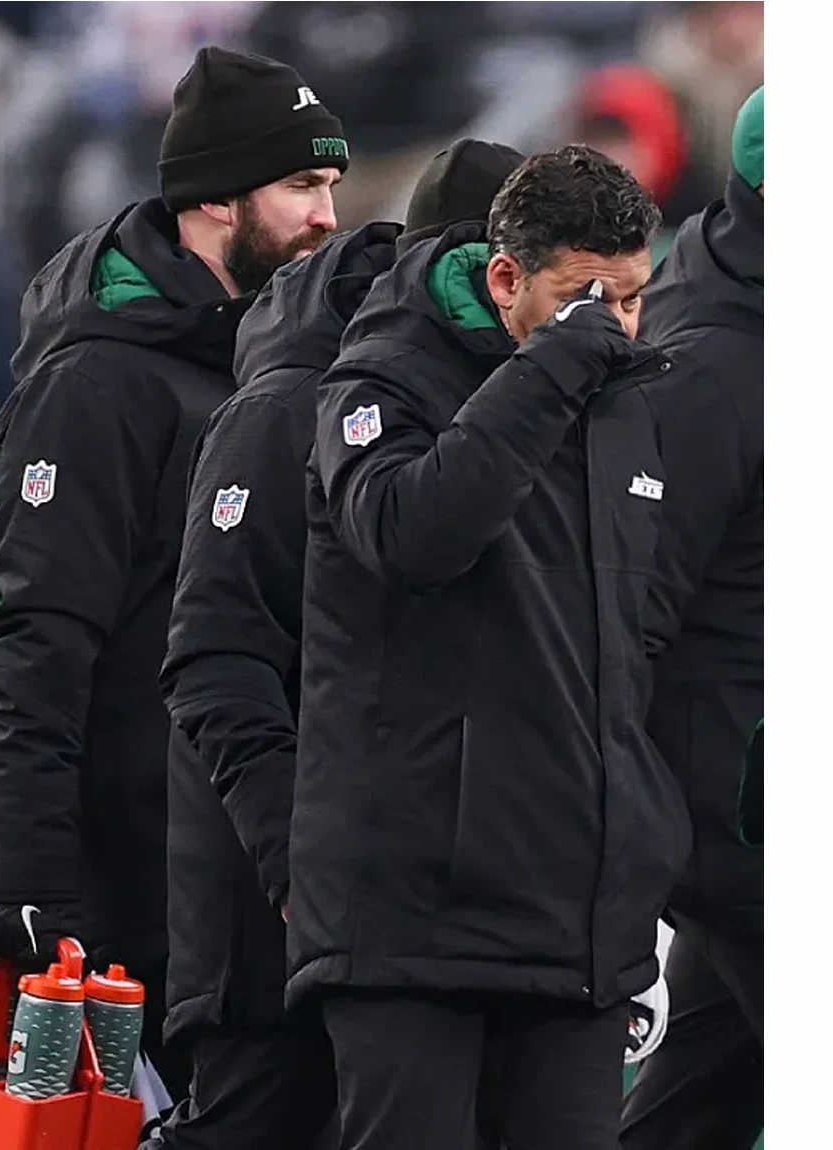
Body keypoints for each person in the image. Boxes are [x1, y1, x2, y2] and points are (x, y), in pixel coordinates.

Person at [285, 144, 692, 1150]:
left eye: (632, 297)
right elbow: (412, 535)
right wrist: (551, 367)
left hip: (576, 928)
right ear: (505, 277)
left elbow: (635, 647)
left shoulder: (629, 403)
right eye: (584, 297)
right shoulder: (379, 378)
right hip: (412, 925)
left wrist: (644, 845)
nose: (614, 325)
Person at [0, 45, 349, 1099]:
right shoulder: (95, 383)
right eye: (302, 184)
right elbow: (42, 645)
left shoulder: (282, 372)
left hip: (250, 873)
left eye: (330, 183)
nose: (328, 216)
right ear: (218, 199)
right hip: (135, 894)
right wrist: (34, 887)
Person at [161, 138, 527, 1150]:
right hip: (270, 914)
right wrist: (297, 867)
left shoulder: (509, 413)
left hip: (427, 912)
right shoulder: (289, 407)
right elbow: (216, 659)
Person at [620, 84, 764, 1150]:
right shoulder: (713, 363)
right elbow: (632, 607)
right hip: (741, 812)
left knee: (694, 1109)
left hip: (745, 804)